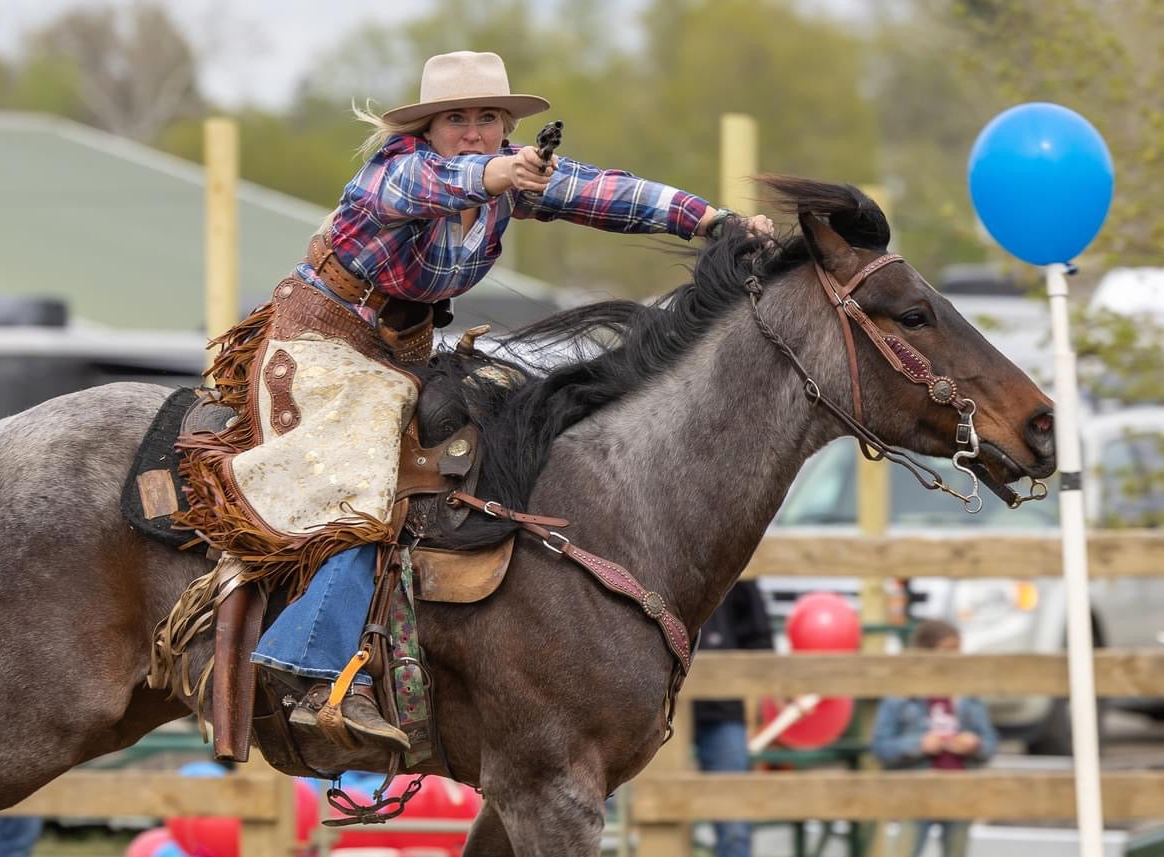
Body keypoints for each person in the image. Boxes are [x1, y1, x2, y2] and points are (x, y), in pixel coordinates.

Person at [159, 50, 774, 754]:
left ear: (506, 124)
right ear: (431, 127)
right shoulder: (396, 171)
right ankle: (314, 661)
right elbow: (432, 185)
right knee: (363, 475)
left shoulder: (515, 173)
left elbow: (611, 193)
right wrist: (501, 174)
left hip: (402, 354)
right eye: (459, 118)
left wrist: (714, 222)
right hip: (323, 342)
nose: (475, 131)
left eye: (489, 118)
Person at [870, 619, 998, 857]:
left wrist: (974, 744)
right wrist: (919, 745)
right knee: (905, 850)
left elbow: (990, 744)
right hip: (916, 789)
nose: (955, 657)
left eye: (958, 650)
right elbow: (880, 747)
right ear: (926, 652)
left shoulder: (967, 694)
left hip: (959, 790)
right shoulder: (901, 695)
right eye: (948, 650)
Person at [694, 579, 774, 857]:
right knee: (659, 817)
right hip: (662, 710)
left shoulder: (745, 579)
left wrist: (753, 719)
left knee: (734, 827)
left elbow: (760, 646)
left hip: (724, 710)